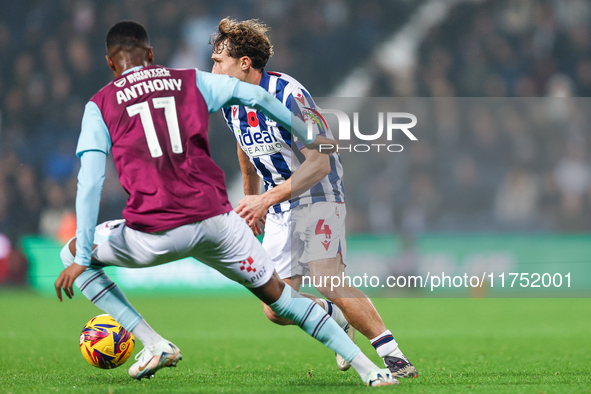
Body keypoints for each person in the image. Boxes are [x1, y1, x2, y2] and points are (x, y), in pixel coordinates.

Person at [54, 20, 396, 387]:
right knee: (281, 301)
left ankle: (154, 343)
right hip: (217, 221)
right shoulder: (190, 80)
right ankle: (371, 370)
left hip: (154, 231)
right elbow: (259, 97)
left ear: (109, 62)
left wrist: (81, 258)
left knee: (71, 253)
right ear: (151, 56)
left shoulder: (99, 104)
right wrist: (310, 134)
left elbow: (90, 181)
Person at [210, 18, 417, 378]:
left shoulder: (290, 95)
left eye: (218, 61)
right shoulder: (229, 101)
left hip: (317, 193)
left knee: (328, 279)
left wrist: (265, 199)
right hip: (276, 205)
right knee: (275, 307)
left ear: (244, 62)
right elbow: (245, 152)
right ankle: (338, 316)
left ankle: (395, 357)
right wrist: (251, 201)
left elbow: (320, 161)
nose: (212, 69)